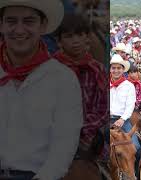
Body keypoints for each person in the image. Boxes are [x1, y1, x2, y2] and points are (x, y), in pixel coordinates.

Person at [0, 0, 83, 179]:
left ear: (42, 26)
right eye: (11, 21)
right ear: (1, 25)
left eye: (29, 21)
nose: (19, 30)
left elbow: (63, 146)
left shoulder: (63, 78)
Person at [53, 13, 107, 156]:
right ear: (59, 42)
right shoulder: (50, 70)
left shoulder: (96, 69)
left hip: (89, 136)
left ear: (87, 38)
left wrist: (85, 133)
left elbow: (102, 108)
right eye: (69, 36)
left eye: (79, 35)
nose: (75, 41)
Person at [109, 54, 141, 178]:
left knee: (136, 147)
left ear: (123, 70)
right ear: (110, 69)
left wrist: (122, 119)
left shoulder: (129, 86)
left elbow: (130, 106)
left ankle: (134, 174)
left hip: (123, 120)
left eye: (119, 68)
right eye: (113, 68)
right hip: (106, 120)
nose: (116, 70)